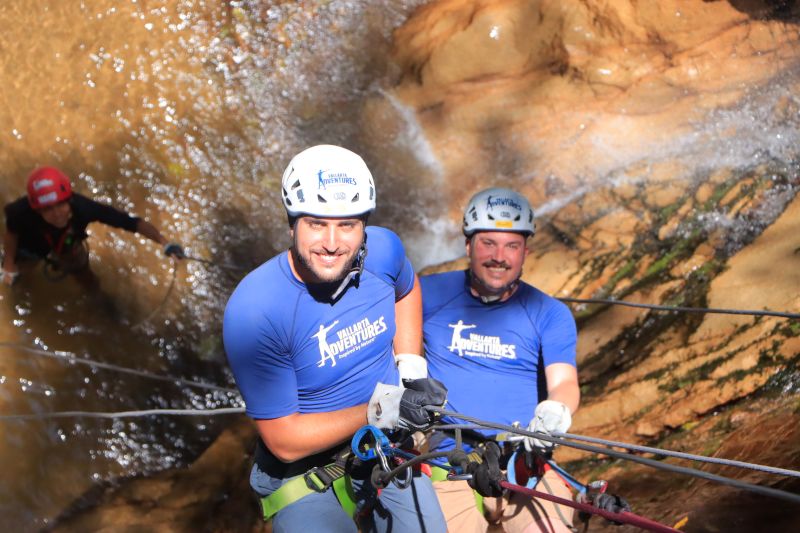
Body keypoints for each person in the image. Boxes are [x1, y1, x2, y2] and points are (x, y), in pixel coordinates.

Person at [223, 144, 447, 533]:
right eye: (316, 223)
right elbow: (285, 440)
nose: (331, 243)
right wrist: (383, 407)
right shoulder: (256, 310)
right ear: (292, 223)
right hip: (304, 477)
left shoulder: (383, 252)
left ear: (364, 226)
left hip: (385, 449)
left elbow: (406, 289)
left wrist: (411, 369)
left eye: (347, 225)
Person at [421, 187, 580, 533]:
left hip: (524, 463)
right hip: (449, 461)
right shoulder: (427, 294)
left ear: (525, 252)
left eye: (511, 246)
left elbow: (564, 382)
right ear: (468, 246)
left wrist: (557, 412)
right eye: (488, 243)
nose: (499, 256)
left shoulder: (549, 313)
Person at [2, 167, 184, 286]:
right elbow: (11, 233)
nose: (56, 213)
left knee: (84, 275)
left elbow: (131, 223)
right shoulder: (21, 212)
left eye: (60, 205)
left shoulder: (83, 208)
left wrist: (164, 242)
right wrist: (9, 264)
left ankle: (98, 301)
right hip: (33, 244)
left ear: (69, 200)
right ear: (37, 210)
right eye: (47, 209)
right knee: (20, 277)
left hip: (68, 241)